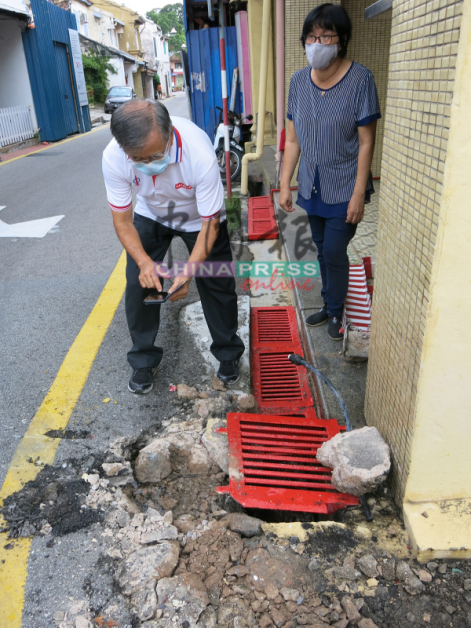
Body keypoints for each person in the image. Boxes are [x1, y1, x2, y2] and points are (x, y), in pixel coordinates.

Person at [102, 99, 245, 394]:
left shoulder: (199, 156)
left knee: (217, 282)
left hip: (200, 219)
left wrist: (187, 273)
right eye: (137, 160)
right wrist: (144, 263)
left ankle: (228, 354)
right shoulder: (113, 156)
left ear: (169, 136)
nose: (148, 167)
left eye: (154, 156)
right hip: (151, 213)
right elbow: (123, 221)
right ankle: (143, 359)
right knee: (139, 282)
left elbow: (210, 226)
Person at [279, 3, 380, 341]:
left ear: (342, 40)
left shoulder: (360, 79)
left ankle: (336, 311)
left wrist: (358, 195)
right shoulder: (297, 82)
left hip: (346, 184)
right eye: (311, 36)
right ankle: (330, 302)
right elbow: (292, 139)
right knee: (322, 250)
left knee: (335, 250)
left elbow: (367, 143)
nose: (317, 43)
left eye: (326, 36)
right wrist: (284, 183)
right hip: (312, 183)